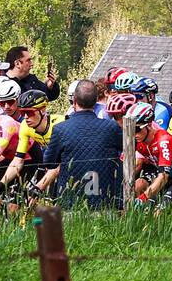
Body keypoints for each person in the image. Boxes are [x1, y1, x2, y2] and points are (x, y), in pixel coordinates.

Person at [41, 80, 121, 208]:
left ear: (75, 101)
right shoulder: (111, 127)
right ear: (96, 101)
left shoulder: (60, 129)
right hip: (106, 202)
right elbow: (127, 150)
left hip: (70, 202)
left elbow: (49, 162)